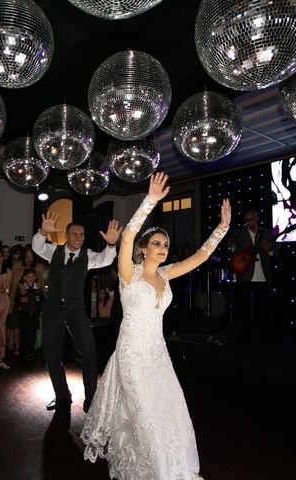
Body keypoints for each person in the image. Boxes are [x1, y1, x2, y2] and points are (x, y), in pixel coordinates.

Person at [81, 172, 230, 480]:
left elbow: (201, 256)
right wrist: (150, 200)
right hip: (132, 355)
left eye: (166, 244)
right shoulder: (128, 273)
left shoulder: (166, 273)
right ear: (145, 248)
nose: (162, 248)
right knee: (146, 415)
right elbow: (127, 236)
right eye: (157, 243)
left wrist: (221, 228)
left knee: (169, 412)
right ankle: (159, 473)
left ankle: (175, 469)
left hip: (157, 354)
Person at [32, 211, 122, 413]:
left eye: (81, 235)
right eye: (74, 234)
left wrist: (110, 244)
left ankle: (91, 399)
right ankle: (62, 395)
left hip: (76, 311)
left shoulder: (88, 255)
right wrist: (42, 232)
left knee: (89, 354)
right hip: (53, 311)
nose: (78, 238)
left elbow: (106, 260)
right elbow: (37, 246)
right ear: (67, 234)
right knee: (51, 356)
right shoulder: (53, 250)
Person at [228, 209, 275, 343]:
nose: (249, 222)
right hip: (246, 275)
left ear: (257, 218)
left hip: (263, 276)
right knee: (244, 307)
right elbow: (234, 254)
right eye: (247, 220)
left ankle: (268, 334)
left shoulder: (267, 233)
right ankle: (244, 333)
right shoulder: (240, 234)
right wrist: (232, 247)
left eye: (251, 219)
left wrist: (269, 249)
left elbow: (276, 254)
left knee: (266, 307)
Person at [16, 268, 44, 361]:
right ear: (24, 278)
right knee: (25, 334)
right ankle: (24, 352)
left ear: (35, 277)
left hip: (34, 316)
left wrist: (39, 310)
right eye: (28, 277)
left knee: (32, 334)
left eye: (32, 276)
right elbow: (18, 301)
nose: (30, 278)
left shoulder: (37, 290)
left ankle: (31, 351)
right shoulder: (22, 290)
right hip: (25, 316)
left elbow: (40, 301)